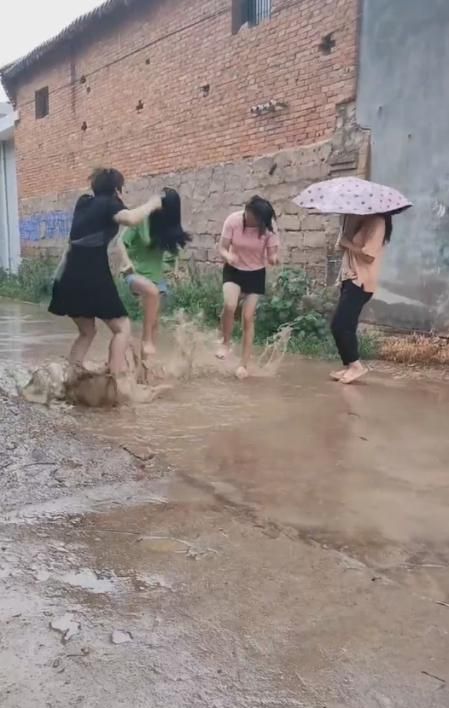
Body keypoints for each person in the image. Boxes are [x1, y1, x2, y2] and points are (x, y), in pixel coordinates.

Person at [48, 168, 162, 376]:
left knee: (87, 332)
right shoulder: (111, 204)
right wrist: (152, 204)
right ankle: (114, 381)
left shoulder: (82, 202)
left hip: (66, 276)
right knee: (122, 328)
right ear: (117, 190)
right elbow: (129, 219)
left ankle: (72, 379)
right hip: (91, 274)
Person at [118, 187, 190, 361]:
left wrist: (178, 271)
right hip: (135, 274)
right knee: (151, 292)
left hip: (158, 279)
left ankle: (145, 366)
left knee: (154, 322)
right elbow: (120, 241)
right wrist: (126, 262)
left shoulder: (168, 227)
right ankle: (146, 341)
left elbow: (176, 252)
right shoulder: (141, 220)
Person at [217, 195, 280, 379]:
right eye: (255, 217)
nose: (257, 222)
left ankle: (243, 365)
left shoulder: (269, 226)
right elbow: (222, 247)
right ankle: (225, 343)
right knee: (230, 305)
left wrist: (273, 259)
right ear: (248, 211)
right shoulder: (233, 220)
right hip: (233, 269)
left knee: (247, 317)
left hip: (255, 273)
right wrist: (227, 256)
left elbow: (272, 254)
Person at [330, 213, 392, 384]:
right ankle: (350, 365)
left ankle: (356, 365)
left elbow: (369, 255)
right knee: (342, 325)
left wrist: (348, 243)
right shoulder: (358, 220)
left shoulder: (377, 222)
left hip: (361, 281)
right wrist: (344, 239)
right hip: (349, 278)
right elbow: (343, 247)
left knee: (341, 325)